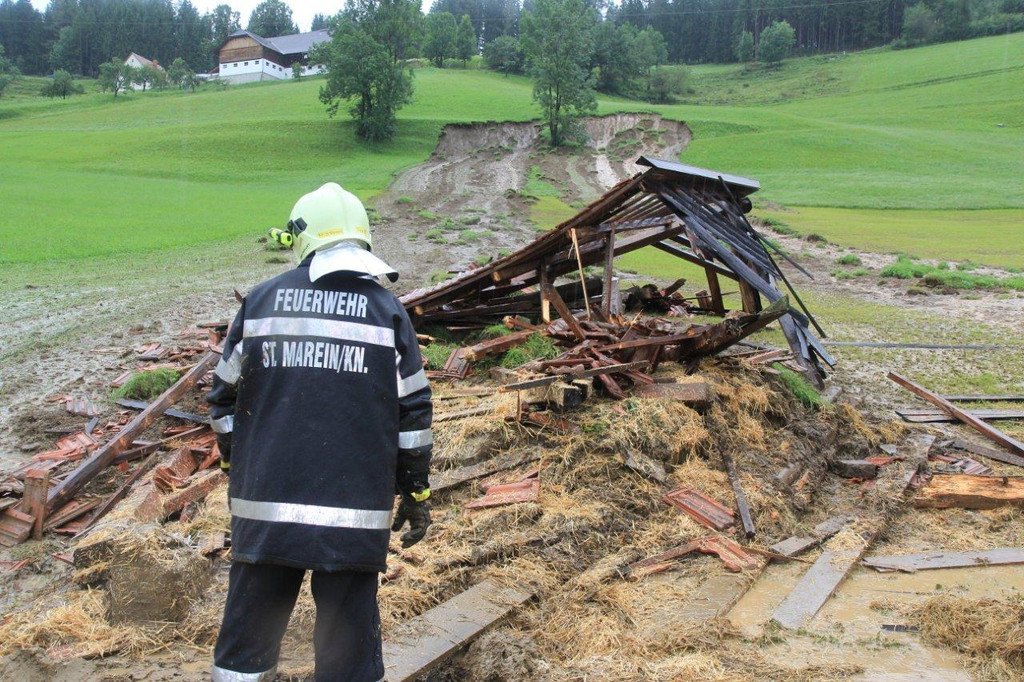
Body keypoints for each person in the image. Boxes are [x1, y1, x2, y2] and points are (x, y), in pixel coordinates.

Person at [207, 182, 433, 681]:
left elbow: (222, 399)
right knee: (347, 652)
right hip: (353, 519)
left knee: (248, 640)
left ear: (302, 235)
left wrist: (235, 463)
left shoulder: (261, 301)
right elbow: (413, 416)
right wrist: (415, 491)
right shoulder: (387, 311)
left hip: (265, 511)